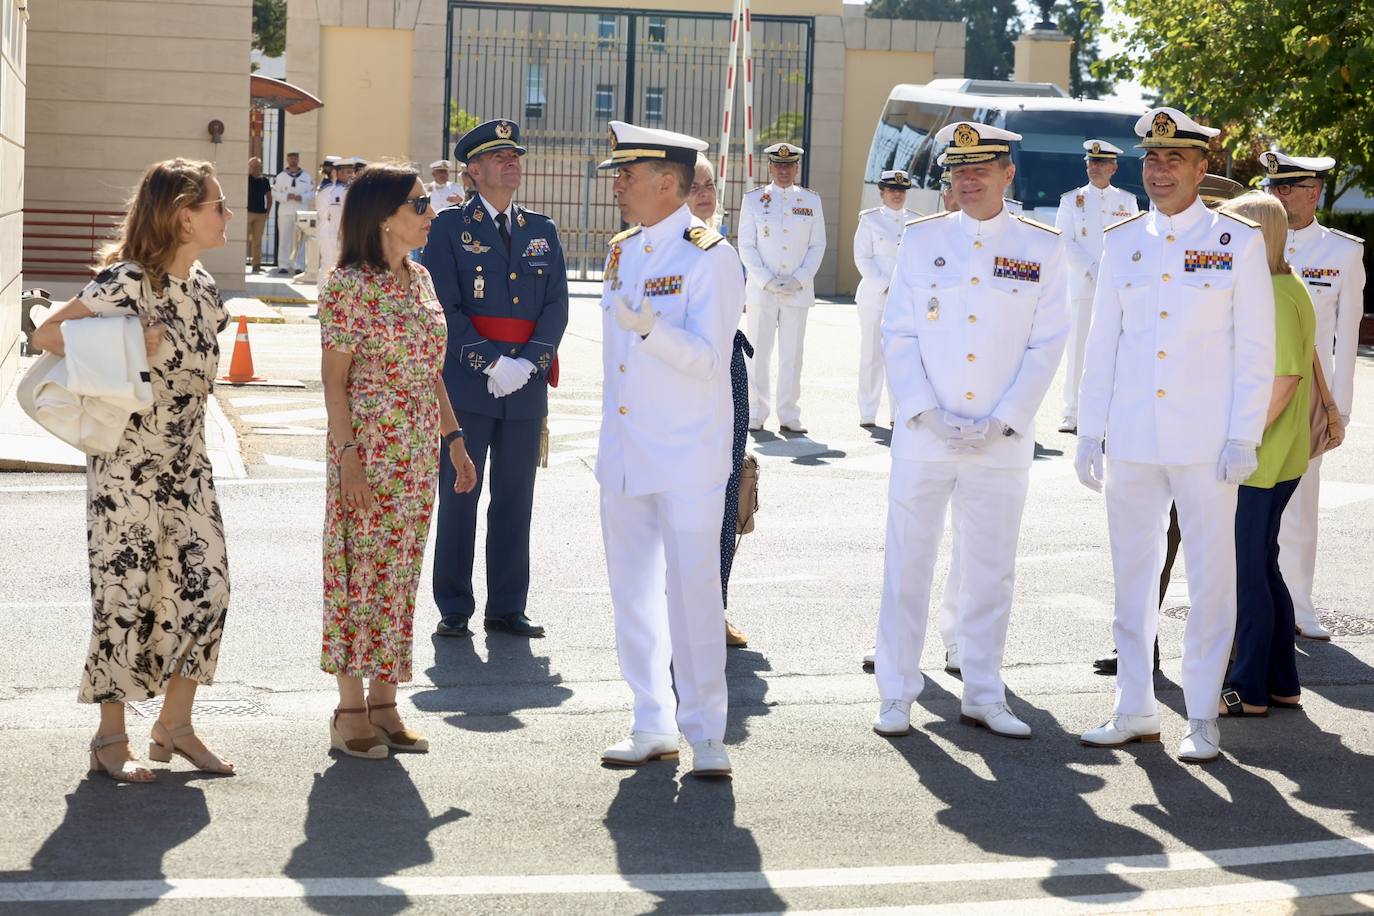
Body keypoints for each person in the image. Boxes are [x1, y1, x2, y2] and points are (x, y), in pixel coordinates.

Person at [1076, 107, 1276, 764]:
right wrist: (1090, 429)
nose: (1160, 171)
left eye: (1174, 159)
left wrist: (1243, 435)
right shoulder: (1123, 241)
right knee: (1132, 578)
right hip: (1133, 437)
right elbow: (1102, 343)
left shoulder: (1236, 241)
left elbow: (1256, 350)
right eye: (1152, 159)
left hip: (1206, 442)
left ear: (1201, 167)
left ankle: (1201, 715)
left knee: (1211, 579)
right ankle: (1133, 706)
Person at [31, 159, 236, 781]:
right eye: (218, 205)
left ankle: (175, 725)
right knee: (127, 594)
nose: (228, 214)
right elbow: (46, 335)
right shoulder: (126, 282)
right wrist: (124, 341)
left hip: (189, 466)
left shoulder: (204, 289)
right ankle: (110, 737)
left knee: (208, 588)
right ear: (183, 216)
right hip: (127, 470)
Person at [871, 122, 1069, 741]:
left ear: (1008, 174)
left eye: (982, 168)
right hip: (925, 434)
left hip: (999, 439)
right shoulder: (922, 238)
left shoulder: (1042, 247)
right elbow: (899, 331)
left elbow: (1047, 342)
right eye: (959, 169)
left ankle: (983, 690)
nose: (968, 179)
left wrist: (1007, 418)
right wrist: (924, 410)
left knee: (990, 570)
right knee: (907, 566)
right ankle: (897, 691)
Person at [594, 121, 745, 776]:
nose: (618, 185)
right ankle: (651, 722)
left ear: (666, 183)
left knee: (692, 596)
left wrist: (652, 330)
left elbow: (711, 361)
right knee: (633, 596)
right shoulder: (623, 250)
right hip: (628, 451)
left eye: (628, 175)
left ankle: (707, 732)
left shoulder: (710, 256)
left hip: (686, 453)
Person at [319, 162, 479, 759]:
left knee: (399, 576)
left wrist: (454, 440)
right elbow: (334, 382)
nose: (429, 213)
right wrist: (348, 457)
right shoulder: (347, 285)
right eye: (418, 204)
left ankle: (385, 703)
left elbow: (429, 373)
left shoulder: (422, 279)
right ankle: (349, 709)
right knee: (357, 575)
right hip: (366, 448)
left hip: (415, 453)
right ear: (383, 217)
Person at [423, 119, 568, 639]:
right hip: (468, 386)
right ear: (474, 171)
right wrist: (490, 362)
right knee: (460, 495)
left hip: (524, 388)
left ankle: (507, 606)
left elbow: (556, 307)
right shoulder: (448, 229)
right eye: (499, 157)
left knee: (514, 498)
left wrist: (526, 365)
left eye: (515, 156)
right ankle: (454, 604)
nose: (512, 163)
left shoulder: (541, 230)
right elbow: (443, 307)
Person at [1214, 192, 1314, 718]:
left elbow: (1285, 379)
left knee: (1246, 573)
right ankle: (1281, 681)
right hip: (1279, 457)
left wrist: (1241, 440)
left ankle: (1247, 688)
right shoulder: (1287, 284)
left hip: (1260, 460)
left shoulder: (1273, 293)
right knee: (1263, 566)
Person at [1267, 151, 1367, 641]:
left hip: (1307, 398)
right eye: (1274, 188)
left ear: (1314, 193)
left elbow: (1346, 339)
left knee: (1301, 505)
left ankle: (1299, 605)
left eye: (1288, 188)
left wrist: (1338, 410)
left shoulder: (1342, 253)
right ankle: (1252, 603)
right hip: (1255, 391)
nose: (1279, 196)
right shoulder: (1251, 242)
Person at [690, 151, 751, 650]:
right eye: (694, 185)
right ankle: (679, 608)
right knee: (685, 496)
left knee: (728, 490)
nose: (704, 194)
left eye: (709, 184)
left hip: (731, 369)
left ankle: (716, 607)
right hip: (688, 377)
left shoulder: (722, 245)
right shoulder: (666, 249)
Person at [738, 142, 825, 434]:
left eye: (789, 166)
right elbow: (746, 245)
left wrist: (800, 278)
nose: (783, 171)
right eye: (778, 165)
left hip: (797, 291)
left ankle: (788, 413)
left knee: (792, 355)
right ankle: (755, 411)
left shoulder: (811, 201)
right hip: (762, 290)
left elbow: (817, 245)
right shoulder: (754, 200)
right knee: (757, 353)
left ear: (796, 168)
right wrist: (766, 279)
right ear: (770, 167)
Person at [1054, 140, 1140, 434]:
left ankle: (1106, 412)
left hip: (1117, 288)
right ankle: (1072, 412)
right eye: (1091, 162)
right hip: (1084, 286)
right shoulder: (1072, 200)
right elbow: (1064, 240)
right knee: (1078, 350)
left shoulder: (1126, 201)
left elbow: (1132, 239)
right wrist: (1092, 269)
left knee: (1112, 351)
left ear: (1113, 168)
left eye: (1101, 163)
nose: (1095, 168)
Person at [853, 169, 919, 428]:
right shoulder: (870, 220)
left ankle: (897, 412)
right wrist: (886, 285)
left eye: (901, 190)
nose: (897, 195)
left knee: (901, 356)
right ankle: (868, 412)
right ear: (882, 193)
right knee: (871, 355)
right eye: (892, 190)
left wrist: (903, 289)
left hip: (905, 300)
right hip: (875, 296)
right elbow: (862, 257)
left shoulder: (916, 221)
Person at [316, 157, 356, 293]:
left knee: (330, 264)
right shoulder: (335, 189)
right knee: (329, 264)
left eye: (352, 172)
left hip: (330, 228)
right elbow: (337, 216)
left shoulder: (329, 186)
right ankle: (323, 297)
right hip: (331, 230)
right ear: (336, 172)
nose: (351, 175)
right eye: (348, 172)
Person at [272, 151, 314, 274]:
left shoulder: (306, 176)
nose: (293, 160)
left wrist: (303, 197)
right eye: (291, 158)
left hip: (301, 212)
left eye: (295, 158)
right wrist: (286, 196)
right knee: (284, 239)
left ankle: (298, 265)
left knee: (300, 240)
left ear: (298, 159)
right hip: (285, 212)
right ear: (287, 160)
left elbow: (312, 192)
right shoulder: (281, 176)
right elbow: (274, 193)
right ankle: (283, 265)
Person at [246, 157, 271, 273]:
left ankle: (256, 265)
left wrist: (268, 212)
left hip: (260, 214)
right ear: (249, 167)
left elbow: (269, 197)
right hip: (247, 213)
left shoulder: (265, 180)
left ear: (260, 166)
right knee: (243, 240)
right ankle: (240, 264)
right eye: (253, 166)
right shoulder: (245, 179)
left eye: (257, 166)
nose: (255, 168)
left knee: (257, 241)